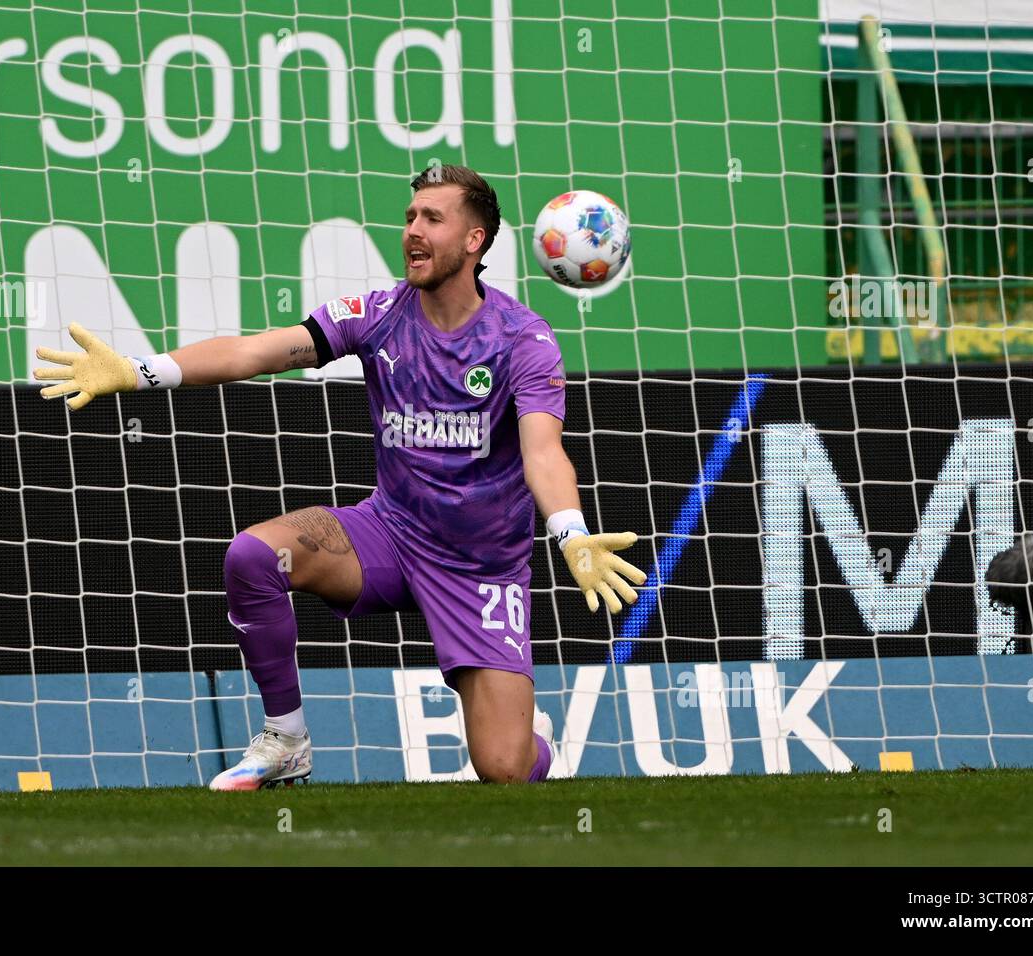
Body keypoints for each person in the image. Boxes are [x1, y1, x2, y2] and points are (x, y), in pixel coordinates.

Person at [34, 165, 646, 788]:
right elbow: (254, 352)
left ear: (473, 240)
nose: (412, 230)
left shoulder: (523, 339)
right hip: (390, 534)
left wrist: (570, 532)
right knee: (254, 556)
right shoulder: (375, 314)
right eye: (410, 217)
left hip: (480, 567)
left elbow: (543, 449)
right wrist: (142, 370)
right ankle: (286, 739)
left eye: (433, 219)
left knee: (505, 771)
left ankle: (529, 737)